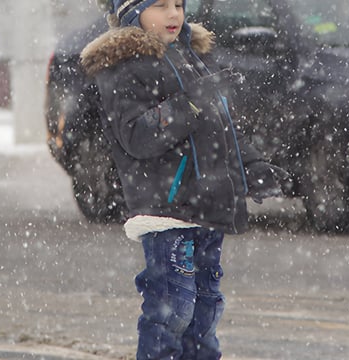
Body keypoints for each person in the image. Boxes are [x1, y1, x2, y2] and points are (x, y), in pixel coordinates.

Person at [80, 0, 288, 359]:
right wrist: (190, 103)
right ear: (131, 12)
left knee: (205, 307)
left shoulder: (189, 55)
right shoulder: (124, 66)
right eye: (160, 5)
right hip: (167, 208)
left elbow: (222, 126)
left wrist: (250, 165)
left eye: (178, 3)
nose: (173, 14)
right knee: (172, 307)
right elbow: (137, 135)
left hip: (207, 203)